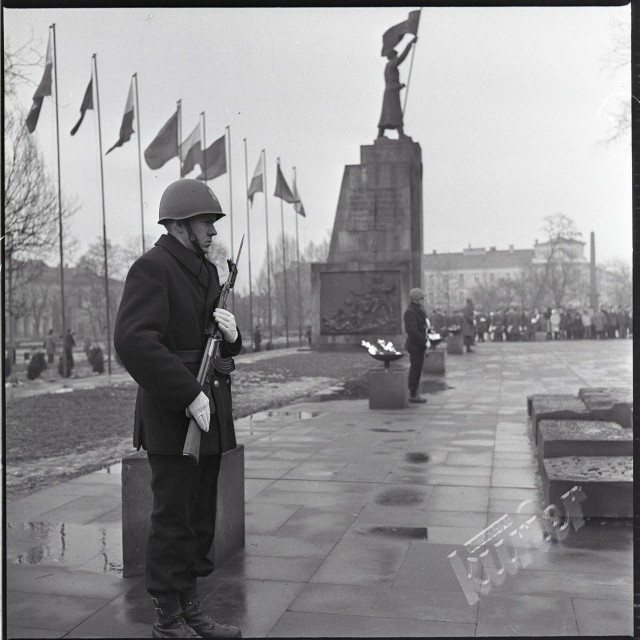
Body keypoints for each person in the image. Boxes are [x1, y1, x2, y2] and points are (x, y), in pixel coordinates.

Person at [114, 179, 243, 639]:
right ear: (179, 224)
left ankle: (190, 609)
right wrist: (187, 393)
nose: (212, 230)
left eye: (211, 223)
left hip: (210, 408)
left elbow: (213, 342)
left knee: (198, 517)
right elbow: (134, 341)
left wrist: (232, 336)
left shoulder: (206, 271)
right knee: (173, 519)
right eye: (206, 221)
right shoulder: (152, 268)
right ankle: (167, 619)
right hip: (175, 413)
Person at [377, 36, 417, 140]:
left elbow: (391, 81)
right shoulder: (391, 65)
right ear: (392, 56)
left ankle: (383, 134)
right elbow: (402, 57)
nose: (397, 57)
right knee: (393, 113)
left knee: (389, 114)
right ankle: (398, 134)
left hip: (392, 92)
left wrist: (399, 86)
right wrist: (410, 44)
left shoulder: (389, 66)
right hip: (391, 93)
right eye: (396, 55)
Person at [403, 287, 428, 403]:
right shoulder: (410, 312)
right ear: (416, 299)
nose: (423, 301)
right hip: (415, 345)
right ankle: (412, 393)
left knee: (417, 369)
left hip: (419, 345)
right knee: (415, 369)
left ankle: (414, 392)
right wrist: (423, 340)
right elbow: (411, 330)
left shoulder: (418, 310)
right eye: (422, 299)